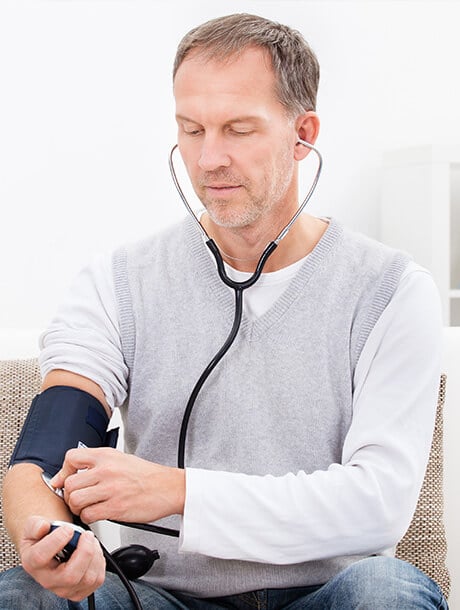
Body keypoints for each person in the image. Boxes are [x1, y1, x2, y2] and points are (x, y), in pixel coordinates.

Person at [0, 12, 447, 610]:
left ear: (303, 133)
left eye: (238, 129)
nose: (209, 159)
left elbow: (378, 506)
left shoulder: (392, 291)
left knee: (385, 591)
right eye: (191, 129)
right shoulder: (118, 281)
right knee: (25, 596)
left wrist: (177, 492)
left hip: (324, 594)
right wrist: (47, 535)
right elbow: (43, 454)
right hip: (157, 594)